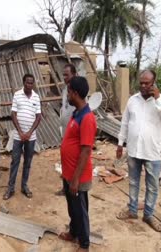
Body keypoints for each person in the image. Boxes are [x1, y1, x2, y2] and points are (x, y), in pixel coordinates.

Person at [116, 70, 161, 232]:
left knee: (152, 186)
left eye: (147, 83)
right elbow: (125, 123)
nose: (143, 86)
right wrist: (120, 143)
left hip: (151, 152)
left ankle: (149, 215)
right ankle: (132, 210)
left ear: (153, 83)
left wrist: (157, 99)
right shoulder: (132, 100)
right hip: (134, 150)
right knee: (133, 182)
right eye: (141, 83)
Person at [58, 77, 97, 252]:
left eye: (68, 91)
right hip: (69, 172)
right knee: (72, 207)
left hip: (78, 176)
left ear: (74, 93)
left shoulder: (87, 118)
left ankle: (84, 244)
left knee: (80, 210)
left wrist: (75, 180)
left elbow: (86, 151)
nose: (66, 95)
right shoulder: (77, 114)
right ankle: (73, 232)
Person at [3, 74, 42, 200]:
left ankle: (24, 186)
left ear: (33, 84)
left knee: (28, 162)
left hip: (31, 137)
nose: (29, 85)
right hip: (18, 137)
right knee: (15, 161)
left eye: (31, 83)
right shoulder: (17, 95)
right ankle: (10, 188)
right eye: (27, 83)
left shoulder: (36, 97)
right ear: (23, 83)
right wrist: (20, 132)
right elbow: (13, 114)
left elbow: (38, 117)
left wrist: (29, 132)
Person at [55, 63, 77, 196]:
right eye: (63, 75)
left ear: (73, 75)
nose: (64, 77)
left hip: (73, 131)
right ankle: (65, 187)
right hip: (64, 130)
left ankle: (73, 186)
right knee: (64, 159)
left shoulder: (78, 90)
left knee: (73, 160)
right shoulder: (65, 91)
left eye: (66, 75)